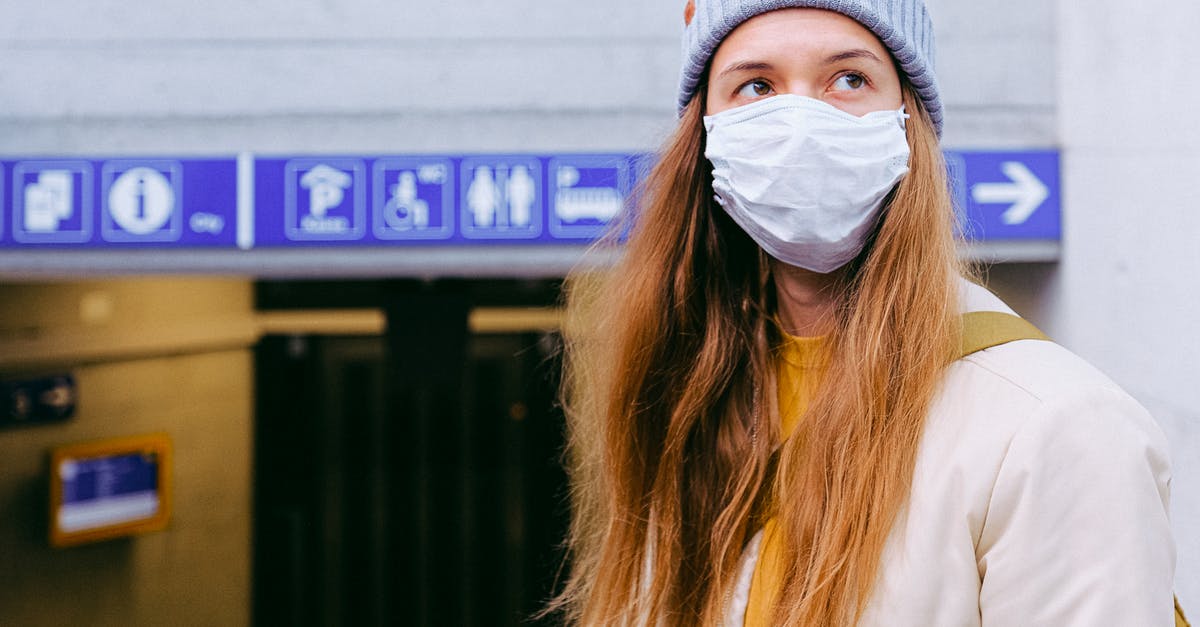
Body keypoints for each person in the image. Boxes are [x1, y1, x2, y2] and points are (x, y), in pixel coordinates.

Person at [547, 0, 1179, 625]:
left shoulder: (1058, 430)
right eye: (756, 85)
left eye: (850, 79)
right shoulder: (696, 394)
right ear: (704, 133)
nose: (799, 122)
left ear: (910, 124)